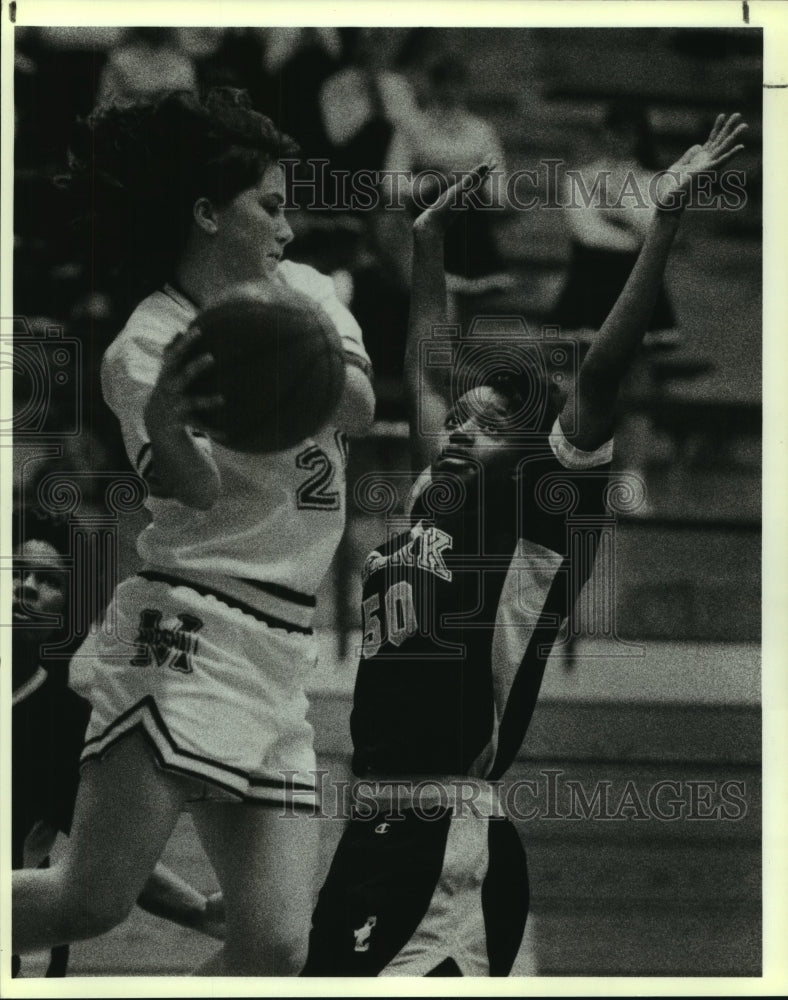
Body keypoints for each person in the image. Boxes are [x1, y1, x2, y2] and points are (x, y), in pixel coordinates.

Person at [303, 113, 748, 976]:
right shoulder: (439, 496)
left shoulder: (535, 520)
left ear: (534, 455)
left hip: (447, 839)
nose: (460, 428)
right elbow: (430, 373)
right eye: (460, 421)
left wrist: (661, 228)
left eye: (487, 423)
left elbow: (601, 379)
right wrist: (428, 248)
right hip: (370, 829)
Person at [12, 88, 375, 976]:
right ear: (209, 212)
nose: (289, 228)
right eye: (271, 206)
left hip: (281, 649)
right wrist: (172, 427)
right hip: (192, 625)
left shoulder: (304, 292)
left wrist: (281, 347)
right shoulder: (146, 343)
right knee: (88, 900)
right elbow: (198, 491)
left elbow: (360, 406)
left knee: (275, 945)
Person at [11, 507, 225, 978]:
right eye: (14, 571)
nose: (25, 586)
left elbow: (110, 861)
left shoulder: (66, 727)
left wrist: (195, 911)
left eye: (48, 581)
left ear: (66, 613)